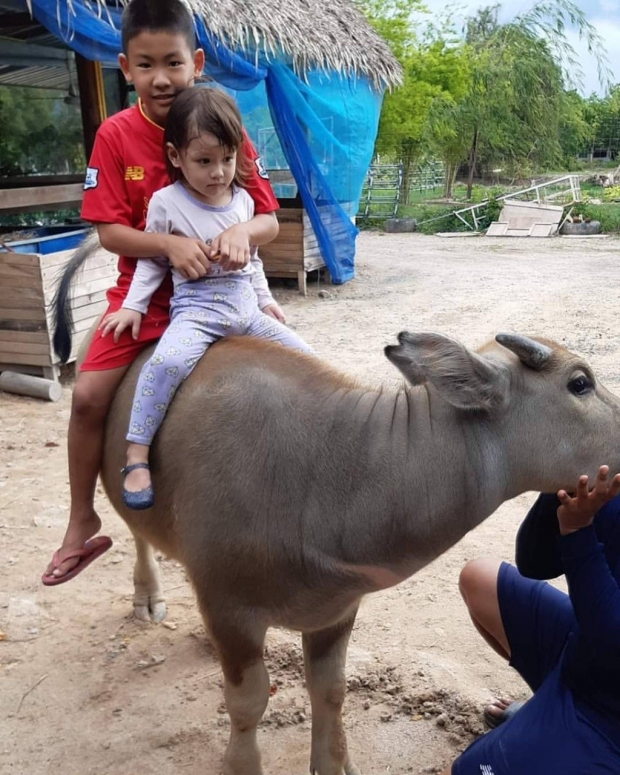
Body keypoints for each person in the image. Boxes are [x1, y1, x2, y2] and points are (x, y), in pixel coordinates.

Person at [42, 0, 283, 585]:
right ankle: (81, 520)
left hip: (226, 294)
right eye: (145, 65)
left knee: (292, 377)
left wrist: (241, 232)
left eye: (172, 62)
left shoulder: (226, 125)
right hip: (144, 299)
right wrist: (169, 247)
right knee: (88, 397)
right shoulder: (115, 135)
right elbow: (108, 231)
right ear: (125, 68)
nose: (160, 78)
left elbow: (267, 218)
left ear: (195, 62)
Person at [99, 87, 312, 509]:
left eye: (227, 160)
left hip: (246, 311)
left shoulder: (244, 201)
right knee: (166, 363)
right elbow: (154, 261)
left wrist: (265, 300)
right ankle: (136, 454)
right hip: (197, 311)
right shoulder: (166, 202)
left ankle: (311, 441)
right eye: (204, 161)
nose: (218, 172)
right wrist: (133, 305)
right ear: (176, 157)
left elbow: (253, 260)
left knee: (306, 358)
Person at [437, 465, 620, 775]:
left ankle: (555, 732)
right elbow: (534, 562)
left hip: (608, 717)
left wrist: (577, 531)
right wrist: (563, 486)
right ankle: (543, 712)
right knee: (478, 579)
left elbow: (611, 640)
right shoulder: (612, 466)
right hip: (583, 655)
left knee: (468, 770)